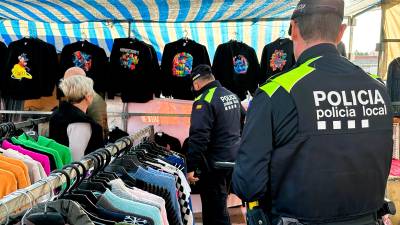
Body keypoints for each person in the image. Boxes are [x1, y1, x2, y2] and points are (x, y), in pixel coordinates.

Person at [232, 1, 393, 225]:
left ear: (294, 28)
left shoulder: (276, 92)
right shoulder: (378, 88)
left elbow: (249, 185)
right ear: (341, 32)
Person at [186, 64, 242, 225]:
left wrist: (191, 167)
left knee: (215, 212)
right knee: (219, 206)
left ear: (196, 84)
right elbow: (244, 122)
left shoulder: (203, 100)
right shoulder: (231, 95)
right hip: (231, 159)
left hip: (213, 165)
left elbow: (198, 138)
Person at [50, 75, 104, 161]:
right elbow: (76, 161)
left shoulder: (59, 113)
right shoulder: (80, 122)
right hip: (75, 172)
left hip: (59, 170)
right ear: (87, 95)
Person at [62, 67, 109, 140]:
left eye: (66, 81)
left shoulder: (93, 100)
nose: (63, 84)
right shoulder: (77, 96)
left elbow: (99, 131)